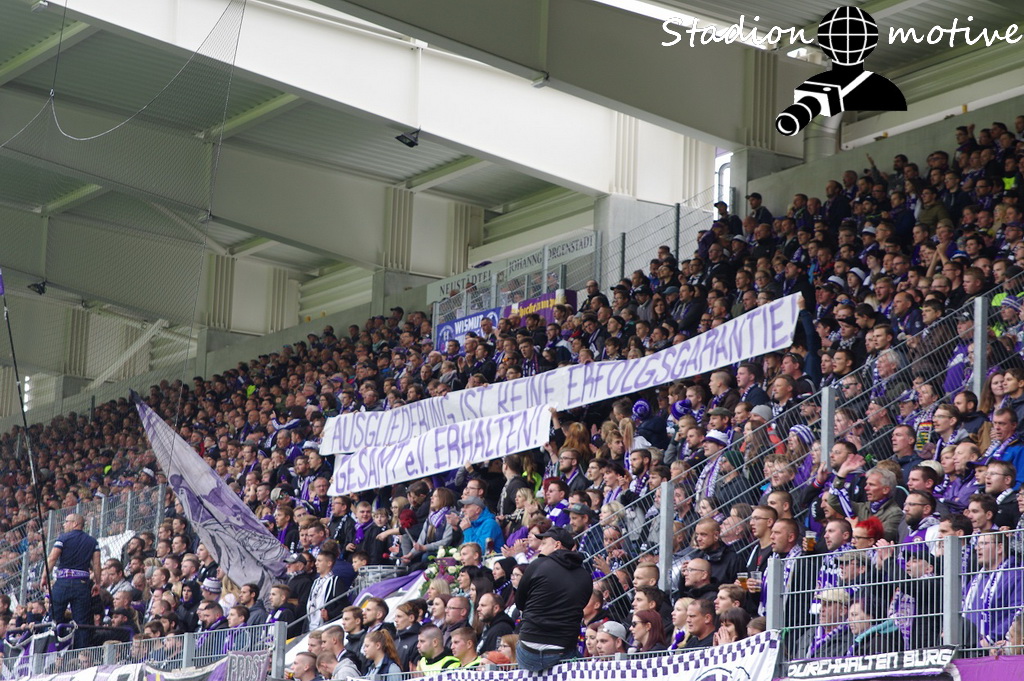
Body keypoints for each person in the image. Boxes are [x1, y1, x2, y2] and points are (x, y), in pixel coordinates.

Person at [515, 527, 592, 671]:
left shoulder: (537, 565)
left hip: (528, 650)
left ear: (557, 545)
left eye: (544, 543)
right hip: (562, 649)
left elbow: (519, 603)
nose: (539, 548)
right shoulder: (585, 575)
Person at [47, 514, 101, 649]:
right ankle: (80, 653)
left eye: (66, 522)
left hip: (63, 582)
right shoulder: (93, 542)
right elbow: (96, 564)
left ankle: (52, 650)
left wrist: (44, 576)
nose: (64, 524)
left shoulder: (63, 538)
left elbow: (52, 558)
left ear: (75, 523)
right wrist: (97, 583)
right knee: (81, 622)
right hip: (82, 584)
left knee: (54, 618)